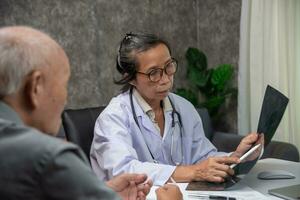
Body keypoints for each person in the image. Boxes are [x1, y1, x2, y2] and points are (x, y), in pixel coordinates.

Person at [0, 26, 182, 200]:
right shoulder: (50, 159)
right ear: (35, 87)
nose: (65, 97)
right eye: (64, 84)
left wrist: (105, 192)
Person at [90, 32, 264, 186]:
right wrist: (194, 172)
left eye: (168, 66)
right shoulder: (113, 118)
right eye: (153, 73)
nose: (166, 79)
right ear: (130, 78)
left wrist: (236, 156)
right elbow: (124, 171)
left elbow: (203, 157)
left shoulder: (183, 107)